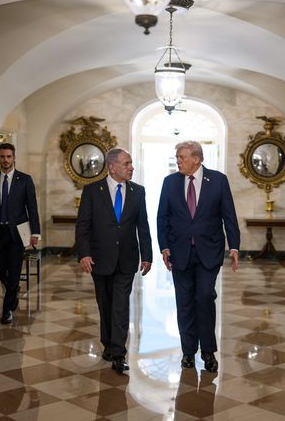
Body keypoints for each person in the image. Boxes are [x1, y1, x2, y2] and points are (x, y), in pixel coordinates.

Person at [157, 141, 240, 373]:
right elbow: (162, 216)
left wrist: (234, 246)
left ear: (197, 159)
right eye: (177, 157)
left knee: (204, 297)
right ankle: (188, 352)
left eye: (182, 157)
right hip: (179, 252)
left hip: (209, 251)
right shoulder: (170, 182)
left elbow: (229, 216)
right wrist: (163, 246)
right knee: (184, 302)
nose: (178, 160)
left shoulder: (219, 180)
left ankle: (208, 351)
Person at [75, 147, 152, 374]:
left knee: (120, 305)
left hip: (127, 258)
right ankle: (107, 343)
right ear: (112, 167)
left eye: (131, 163)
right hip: (100, 258)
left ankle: (119, 353)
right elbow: (83, 226)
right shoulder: (92, 191)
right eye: (127, 163)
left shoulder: (138, 192)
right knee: (105, 304)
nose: (131, 167)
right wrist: (84, 253)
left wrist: (147, 255)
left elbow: (143, 225)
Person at [0, 143, 40, 324]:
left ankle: (7, 310)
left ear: (14, 158)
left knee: (14, 271)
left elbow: (32, 208)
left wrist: (35, 232)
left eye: (8, 157)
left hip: (17, 235)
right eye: (2, 157)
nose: (5, 160)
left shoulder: (24, 179)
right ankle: (13, 291)